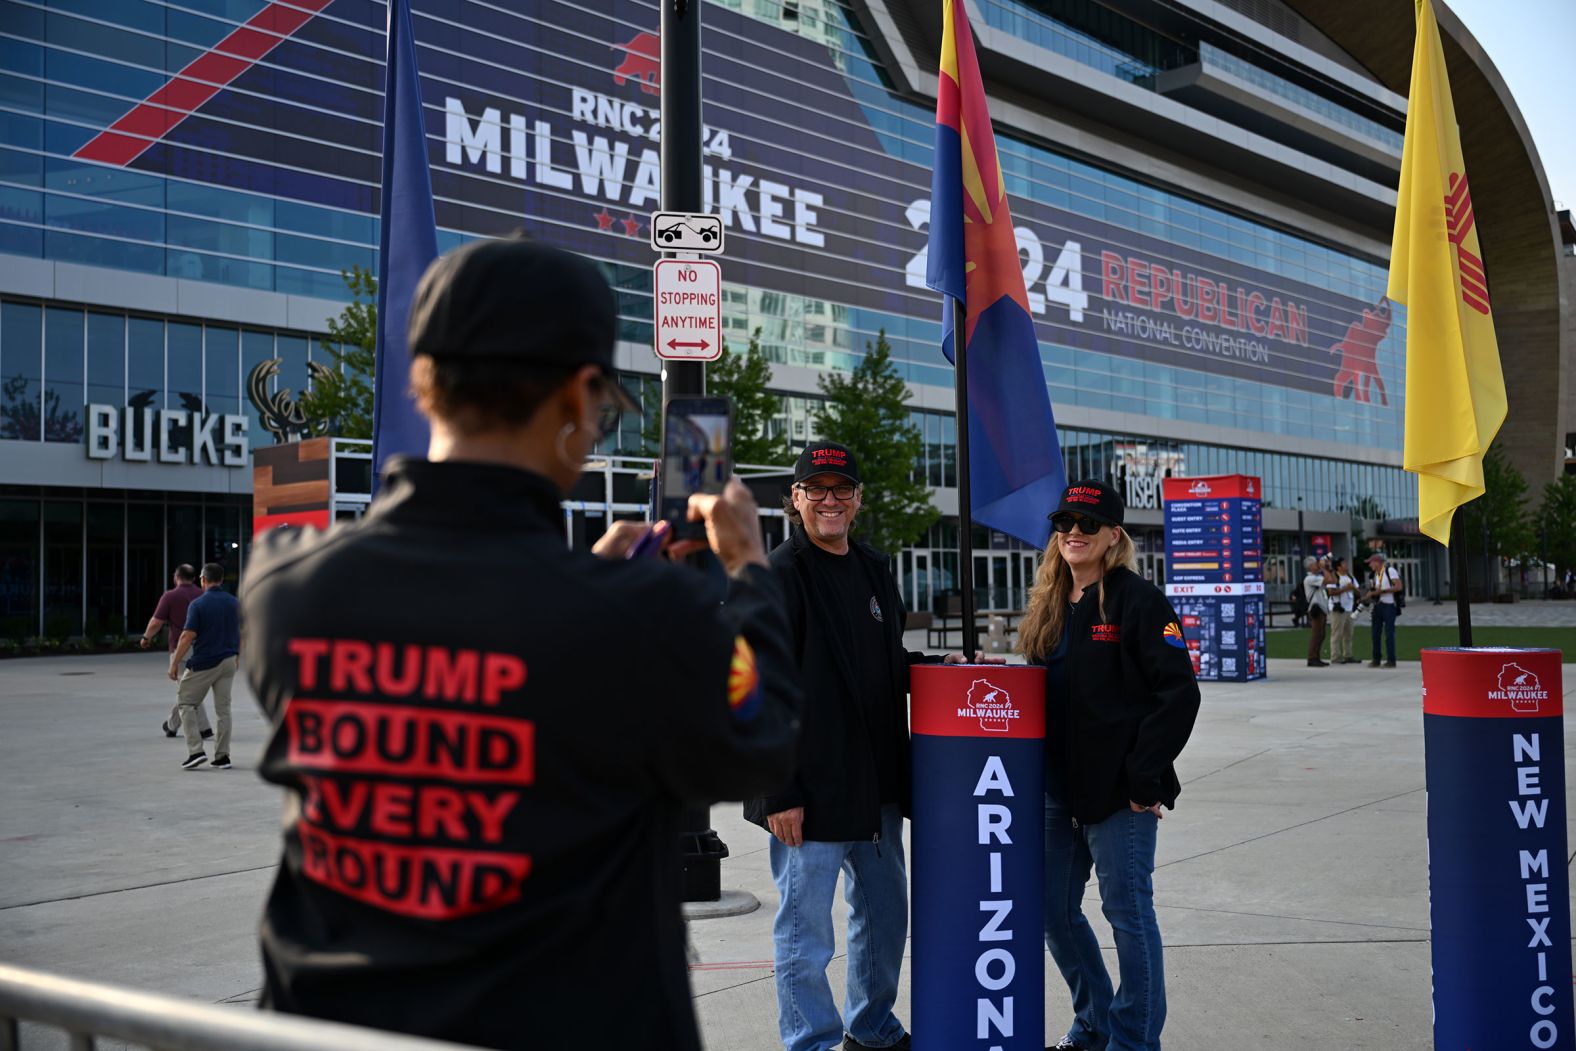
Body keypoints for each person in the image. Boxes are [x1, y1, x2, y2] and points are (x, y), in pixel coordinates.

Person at [241, 236, 800, 1051]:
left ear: (423, 381)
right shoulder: (638, 616)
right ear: (579, 396)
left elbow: (465, 638)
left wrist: (582, 580)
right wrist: (749, 569)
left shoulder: (285, 587)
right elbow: (763, 738)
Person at [745, 440, 989, 1051]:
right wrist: (779, 791)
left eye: (841, 489)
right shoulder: (777, 575)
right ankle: (812, 1042)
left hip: (876, 791)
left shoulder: (874, 569)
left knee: (884, 922)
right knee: (806, 937)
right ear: (795, 499)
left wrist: (940, 669)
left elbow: (881, 667)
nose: (830, 500)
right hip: (809, 795)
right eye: (816, 490)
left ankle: (872, 1028)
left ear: (857, 500)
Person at [1018, 479, 1200, 1051]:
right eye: (1065, 522)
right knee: (1051, 909)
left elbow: (1178, 694)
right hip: (1055, 791)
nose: (1074, 532)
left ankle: (1134, 1040)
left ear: (1114, 535)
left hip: (1121, 793)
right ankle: (1095, 1022)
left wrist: (1144, 777)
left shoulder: (1137, 601)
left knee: (1127, 913)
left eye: (1088, 524)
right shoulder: (1048, 604)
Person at [168, 562, 240, 770]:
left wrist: (174, 663)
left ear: (203, 580)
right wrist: (237, 656)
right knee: (223, 710)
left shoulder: (198, 605)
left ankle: (196, 751)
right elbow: (241, 632)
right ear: (222, 580)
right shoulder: (234, 603)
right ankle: (222, 756)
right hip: (228, 661)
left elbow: (187, 636)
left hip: (204, 662)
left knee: (185, 702)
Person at [140, 563, 213, 741]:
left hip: (181, 648)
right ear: (195, 578)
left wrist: (146, 637)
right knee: (190, 689)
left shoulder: (170, 596)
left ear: (176, 577)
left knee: (187, 690)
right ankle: (173, 726)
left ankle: (202, 728)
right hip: (203, 648)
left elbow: (157, 621)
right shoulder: (203, 595)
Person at [1365, 552, 1401, 667]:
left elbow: (1398, 586)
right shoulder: (1374, 575)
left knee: (1389, 633)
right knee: (1375, 633)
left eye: (1371, 562)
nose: (1370, 565)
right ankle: (1376, 659)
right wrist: (1369, 595)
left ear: (1378, 562)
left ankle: (1391, 660)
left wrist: (1382, 591)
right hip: (1378, 605)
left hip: (1389, 605)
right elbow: (1376, 590)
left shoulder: (1389, 571)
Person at [1327, 557, 1358, 664]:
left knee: (1348, 634)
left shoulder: (1350, 576)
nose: (1346, 564)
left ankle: (1348, 655)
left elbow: (1357, 591)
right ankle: (1335, 656)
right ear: (1338, 566)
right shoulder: (1334, 577)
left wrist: (1353, 588)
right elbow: (1331, 592)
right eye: (1344, 563)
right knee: (1337, 633)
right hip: (1338, 609)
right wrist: (1345, 588)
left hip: (1349, 609)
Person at [1302, 556, 1330, 667]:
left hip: (1321, 608)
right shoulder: (1310, 579)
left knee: (1321, 634)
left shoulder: (1316, 577)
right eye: (1315, 563)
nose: (1318, 564)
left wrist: (1327, 568)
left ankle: (1316, 657)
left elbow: (1332, 580)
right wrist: (1324, 568)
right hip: (1316, 608)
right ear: (1310, 567)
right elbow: (1328, 580)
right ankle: (1312, 658)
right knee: (1317, 634)